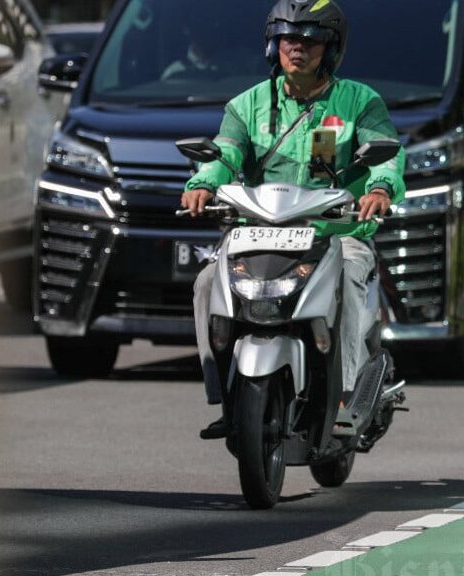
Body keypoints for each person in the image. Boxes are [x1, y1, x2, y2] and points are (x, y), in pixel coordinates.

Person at [181, 0, 405, 439]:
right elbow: (224, 153)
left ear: (331, 47)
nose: (297, 47)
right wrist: (203, 183)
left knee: (350, 275)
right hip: (260, 232)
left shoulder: (360, 102)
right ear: (272, 44)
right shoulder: (246, 106)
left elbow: (387, 158)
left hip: (336, 233)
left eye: (310, 38)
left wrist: (380, 190)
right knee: (207, 282)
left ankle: (343, 398)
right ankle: (227, 397)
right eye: (288, 38)